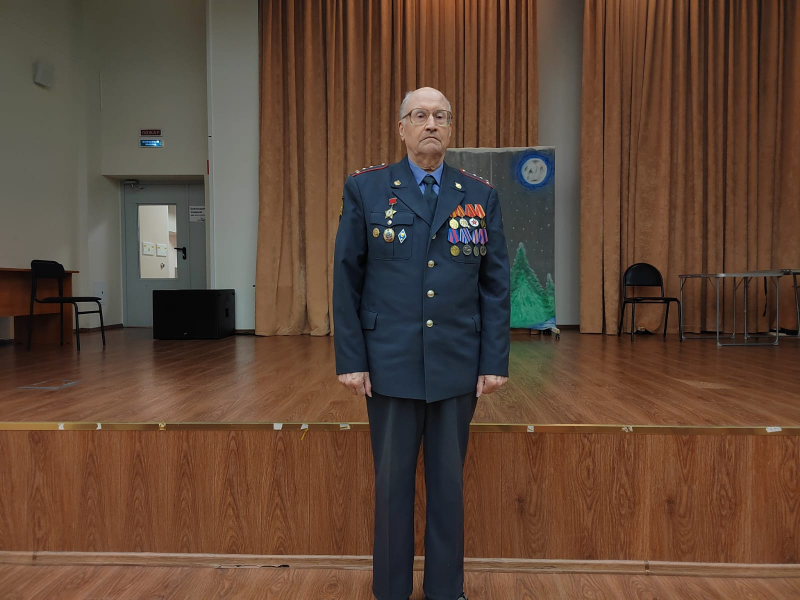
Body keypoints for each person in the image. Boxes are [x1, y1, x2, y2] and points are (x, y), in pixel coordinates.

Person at [333, 87, 510, 600]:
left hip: (456, 363)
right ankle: (390, 591)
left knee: (448, 489)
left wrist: (494, 361)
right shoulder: (366, 189)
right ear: (402, 128)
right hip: (389, 363)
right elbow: (346, 277)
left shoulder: (479, 195)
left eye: (440, 116)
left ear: (450, 129)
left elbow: (496, 285)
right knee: (392, 488)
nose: (430, 123)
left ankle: (444, 590)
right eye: (420, 115)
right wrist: (351, 359)